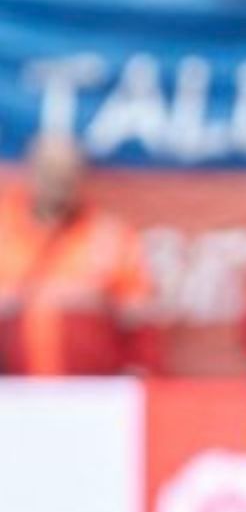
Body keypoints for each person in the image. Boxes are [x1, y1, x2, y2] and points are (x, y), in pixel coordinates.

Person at [0, 132, 160, 377]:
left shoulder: (110, 236)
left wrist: (140, 378)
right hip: (11, 390)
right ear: (30, 171)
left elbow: (140, 324)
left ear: (80, 176)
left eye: (66, 172)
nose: (58, 181)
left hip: (90, 392)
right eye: (50, 170)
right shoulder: (4, 232)